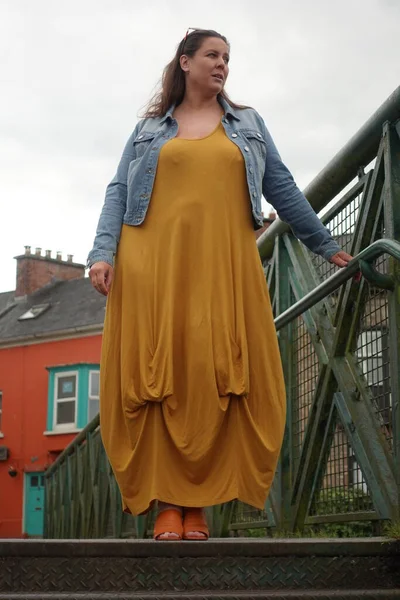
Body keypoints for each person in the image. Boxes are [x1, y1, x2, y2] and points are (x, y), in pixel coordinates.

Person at [87, 28, 352, 541]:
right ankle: (168, 505)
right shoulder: (148, 129)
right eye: (212, 55)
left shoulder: (247, 124)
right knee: (161, 373)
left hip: (222, 262)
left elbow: (282, 184)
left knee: (213, 370)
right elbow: (119, 190)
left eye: (227, 58)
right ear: (185, 63)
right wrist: (102, 253)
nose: (222, 64)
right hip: (152, 262)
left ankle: (199, 504)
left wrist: (323, 242)